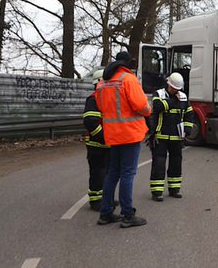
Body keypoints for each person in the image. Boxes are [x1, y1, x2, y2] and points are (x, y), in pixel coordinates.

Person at [96, 51, 152, 228]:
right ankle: (128, 214)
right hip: (129, 133)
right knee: (128, 174)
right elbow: (141, 105)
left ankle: (105, 213)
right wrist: (148, 111)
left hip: (113, 134)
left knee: (113, 173)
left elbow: (100, 106)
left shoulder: (102, 83)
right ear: (128, 63)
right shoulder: (128, 79)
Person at [148, 72, 194, 201]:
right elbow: (158, 107)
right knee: (159, 164)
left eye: (178, 89)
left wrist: (187, 129)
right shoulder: (159, 94)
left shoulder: (183, 97)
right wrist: (173, 101)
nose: (176, 91)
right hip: (161, 136)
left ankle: (174, 189)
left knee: (176, 164)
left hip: (177, 138)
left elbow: (189, 113)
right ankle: (157, 192)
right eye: (174, 88)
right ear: (168, 85)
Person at [83, 69, 110, 211]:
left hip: (107, 143)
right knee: (97, 173)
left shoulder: (105, 98)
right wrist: (103, 137)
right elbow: (90, 121)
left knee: (107, 172)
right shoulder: (93, 99)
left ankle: (105, 198)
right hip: (96, 144)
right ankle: (95, 201)